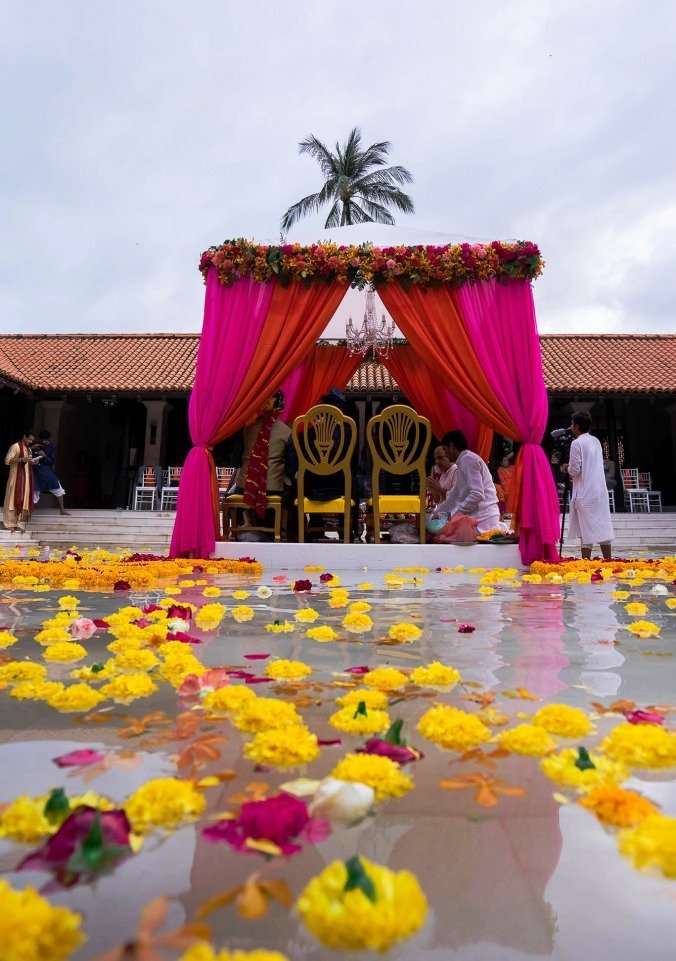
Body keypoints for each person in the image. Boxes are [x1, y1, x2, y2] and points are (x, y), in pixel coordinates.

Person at [228, 391, 292, 537]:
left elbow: (236, 461)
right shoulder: (287, 431)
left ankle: (241, 528)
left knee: (233, 491)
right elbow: (291, 466)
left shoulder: (246, 429)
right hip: (273, 489)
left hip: (245, 488)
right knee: (290, 492)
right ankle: (282, 532)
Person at [561, 411, 613, 560]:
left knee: (586, 531)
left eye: (572, 424)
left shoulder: (576, 443)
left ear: (576, 426)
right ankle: (608, 560)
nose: (571, 427)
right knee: (602, 526)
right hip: (599, 490)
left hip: (585, 491)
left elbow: (575, 470)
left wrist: (567, 468)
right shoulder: (596, 441)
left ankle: (586, 563)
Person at [430, 430, 501, 534]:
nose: (445, 454)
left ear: (452, 446)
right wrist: (435, 514)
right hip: (477, 518)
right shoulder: (462, 462)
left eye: (445, 449)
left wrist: (457, 514)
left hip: (485, 519)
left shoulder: (468, 459)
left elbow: (477, 494)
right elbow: (453, 498)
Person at [3, 429, 37, 532]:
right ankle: (8, 523)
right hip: (16, 478)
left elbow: (28, 462)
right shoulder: (15, 447)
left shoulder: (29, 449)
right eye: (29, 439)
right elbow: (7, 461)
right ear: (24, 436)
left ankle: (16, 523)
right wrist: (21, 459)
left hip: (25, 479)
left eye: (32, 440)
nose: (31, 441)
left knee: (22, 499)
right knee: (11, 500)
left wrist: (32, 462)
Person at [31, 430, 70, 515]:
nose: (44, 441)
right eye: (42, 440)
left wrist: (44, 456)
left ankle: (62, 510)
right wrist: (31, 450)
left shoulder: (52, 448)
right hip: (36, 472)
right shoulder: (35, 446)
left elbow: (51, 461)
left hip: (47, 471)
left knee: (57, 487)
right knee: (34, 491)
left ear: (48, 439)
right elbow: (29, 457)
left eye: (45, 440)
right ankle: (28, 511)